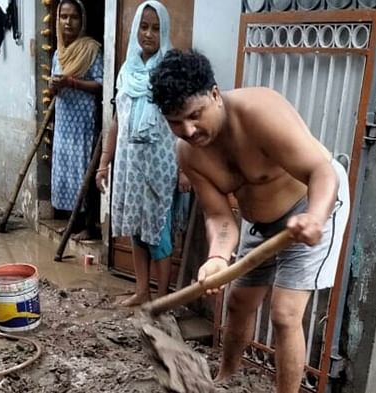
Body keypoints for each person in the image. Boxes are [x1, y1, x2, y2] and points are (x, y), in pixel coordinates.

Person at [149, 49, 350, 393]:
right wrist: (216, 258)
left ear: (214, 94)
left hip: (314, 204)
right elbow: (219, 217)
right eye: (175, 122)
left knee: (285, 314)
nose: (189, 130)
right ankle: (226, 377)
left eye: (195, 115)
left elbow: (321, 171)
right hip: (260, 224)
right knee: (239, 302)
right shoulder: (187, 153)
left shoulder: (260, 111)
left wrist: (315, 217)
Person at [95, 1, 191, 307]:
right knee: (136, 230)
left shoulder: (171, 69)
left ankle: (161, 299)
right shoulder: (127, 69)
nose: (148, 34)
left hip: (161, 163)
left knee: (158, 235)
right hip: (128, 164)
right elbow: (116, 119)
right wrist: (103, 163)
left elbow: (186, 119)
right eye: (143, 26)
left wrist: (186, 169)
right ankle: (142, 291)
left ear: (164, 31)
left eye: (155, 28)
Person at [49, 0, 103, 240]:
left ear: (82, 21)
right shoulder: (58, 54)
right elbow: (53, 87)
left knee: (85, 172)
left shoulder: (91, 50)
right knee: (68, 172)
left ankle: (89, 226)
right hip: (63, 122)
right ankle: (74, 222)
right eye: (63, 17)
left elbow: (100, 84)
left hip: (84, 123)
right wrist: (54, 86)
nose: (68, 23)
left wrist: (71, 82)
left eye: (73, 17)